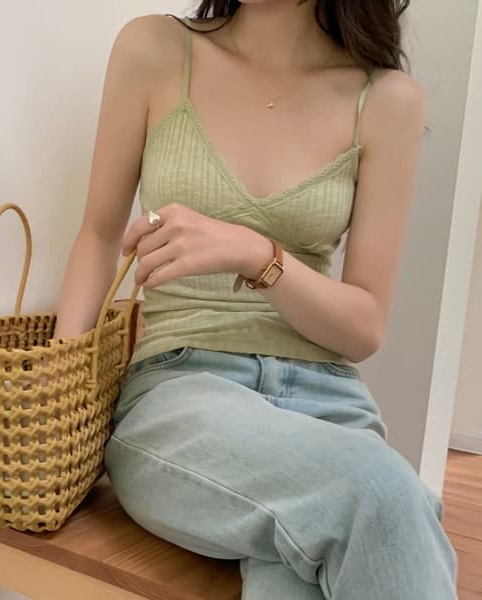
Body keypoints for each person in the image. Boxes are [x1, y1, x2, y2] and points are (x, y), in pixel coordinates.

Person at [54, 2, 459, 598]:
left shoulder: (386, 100)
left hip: (331, 406)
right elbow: (97, 235)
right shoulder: (156, 50)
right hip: (182, 392)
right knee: (386, 496)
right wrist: (57, 382)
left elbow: (364, 325)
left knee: (304, 574)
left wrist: (256, 254)